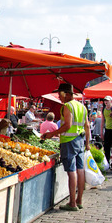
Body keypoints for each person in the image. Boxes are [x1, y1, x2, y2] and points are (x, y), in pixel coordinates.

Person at [42, 83, 90, 211]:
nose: (59, 96)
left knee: (71, 171)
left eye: (60, 94)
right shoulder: (82, 106)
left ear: (66, 94)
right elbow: (87, 126)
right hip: (80, 140)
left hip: (69, 141)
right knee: (80, 170)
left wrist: (52, 134)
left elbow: (67, 125)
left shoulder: (67, 106)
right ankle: (79, 200)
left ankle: (72, 203)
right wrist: (87, 143)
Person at [101, 96, 112, 169]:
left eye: (107, 101)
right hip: (107, 129)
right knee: (106, 147)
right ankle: (107, 163)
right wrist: (101, 132)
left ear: (111, 101)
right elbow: (102, 120)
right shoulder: (103, 109)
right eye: (105, 101)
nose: (106, 102)